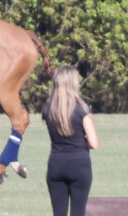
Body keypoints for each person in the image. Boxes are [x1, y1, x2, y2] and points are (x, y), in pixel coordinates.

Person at [42, 66, 99, 216]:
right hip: (79, 165)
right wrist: (82, 143)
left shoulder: (48, 109)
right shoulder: (82, 109)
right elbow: (94, 143)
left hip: (56, 164)